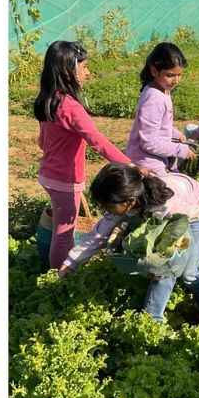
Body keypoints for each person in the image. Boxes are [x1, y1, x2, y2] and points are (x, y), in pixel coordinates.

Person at [59, 163, 199, 321]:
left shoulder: (170, 208)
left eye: (107, 206)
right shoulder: (127, 197)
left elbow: (169, 259)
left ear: (129, 202)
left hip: (194, 211)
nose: (105, 210)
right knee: (155, 263)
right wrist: (71, 262)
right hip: (155, 206)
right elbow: (99, 234)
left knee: (184, 272)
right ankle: (152, 317)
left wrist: (155, 267)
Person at [35, 40, 133, 269]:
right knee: (64, 231)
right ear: (69, 70)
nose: (88, 73)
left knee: (60, 220)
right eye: (84, 67)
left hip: (48, 174)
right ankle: (57, 275)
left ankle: (47, 257)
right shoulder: (70, 107)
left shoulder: (49, 100)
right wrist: (129, 165)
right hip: (64, 180)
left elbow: (42, 141)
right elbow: (97, 141)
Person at [124, 42, 194, 174]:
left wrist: (174, 133)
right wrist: (180, 150)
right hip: (146, 163)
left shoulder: (162, 90)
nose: (176, 81)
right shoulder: (154, 98)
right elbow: (149, 142)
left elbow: (158, 124)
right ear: (154, 71)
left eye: (179, 75)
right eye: (170, 75)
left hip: (154, 158)